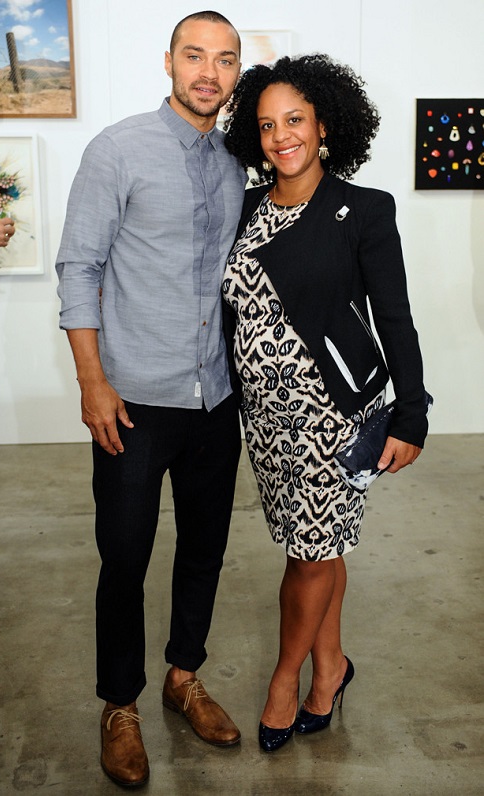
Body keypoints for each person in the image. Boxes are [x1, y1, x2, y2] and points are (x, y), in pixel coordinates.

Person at [56, 11, 246, 788]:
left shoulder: (239, 161)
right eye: (195, 55)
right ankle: (120, 704)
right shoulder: (118, 149)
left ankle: (183, 676)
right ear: (169, 62)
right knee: (125, 555)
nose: (208, 72)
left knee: (204, 549)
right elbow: (78, 266)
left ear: (236, 73)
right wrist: (92, 382)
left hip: (217, 399)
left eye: (224, 60)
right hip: (133, 399)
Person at [222, 54, 429, 752]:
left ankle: (287, 680)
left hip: (333, 418)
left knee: (307, 558)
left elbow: (394, 317)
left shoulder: (363, 209)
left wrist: (412, 413)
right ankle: (332, 665)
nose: (281, 136)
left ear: (325, 126)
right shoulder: (247, 207)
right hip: (265, 420)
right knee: (319, 545)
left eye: (295, 120)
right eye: (267, 124)